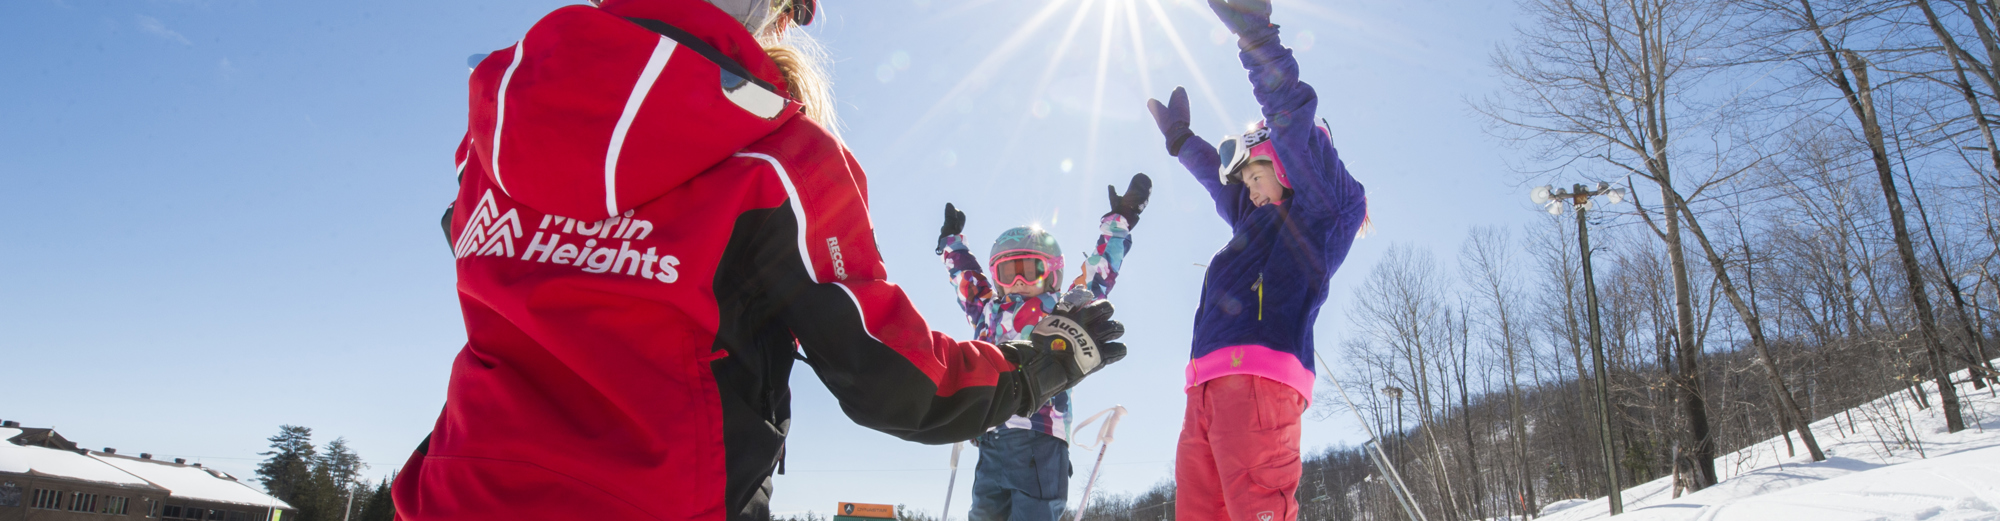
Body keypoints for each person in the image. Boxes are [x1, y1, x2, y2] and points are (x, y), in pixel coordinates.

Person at [394, 1, 1129, 519]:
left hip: (453, 494)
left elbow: (467, 240)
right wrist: (1042, 364)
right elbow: (896, 378)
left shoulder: (497, 126)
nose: (1019, 279)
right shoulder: (780, 158)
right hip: (669, 498)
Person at [1144, 0, 1368, 519]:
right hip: (1205, 388)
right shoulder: (1255, 219)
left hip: (1259, 382)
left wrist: (1258, 41)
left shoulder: (1322, 214)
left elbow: (1291, 126)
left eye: (1256, 176)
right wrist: (1182, 142)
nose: (1249, 191)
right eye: (1244, 183)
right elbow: (1214, 181)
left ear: (1287, 168)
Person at [934, 174, 1151, 521]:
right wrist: (951, 242)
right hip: (990, 436)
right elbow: (966, 278)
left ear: (1051, 274)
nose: (1019, 282)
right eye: (1008, 274)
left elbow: (1099, 273)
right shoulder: (988, 310)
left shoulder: (1062, 307)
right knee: (984, 514)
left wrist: (1120, 221)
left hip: (1041, 434)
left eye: (1029, 271)